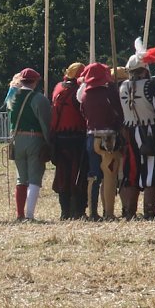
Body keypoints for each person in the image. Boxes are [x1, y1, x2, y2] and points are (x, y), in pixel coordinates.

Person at [119, 40, 155, 219]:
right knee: (152, 173)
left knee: (131, 172)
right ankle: (149, 212)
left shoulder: (123, 86)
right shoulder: (151, 85)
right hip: (151, 132)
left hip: (130, 133)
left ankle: (129, 211)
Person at [78, 62, 124, 220]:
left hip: (92, 136)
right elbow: (119, 112)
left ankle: (92, 213)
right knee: (109, 175)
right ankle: (109, 213)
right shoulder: (109, 93)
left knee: (94, 176)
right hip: (109, 138)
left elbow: (83, 113)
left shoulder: (85, 94)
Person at [5, 68, 51, 221]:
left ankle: (20, 214)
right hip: (34, 139)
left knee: (21, 178)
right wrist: (49, 142)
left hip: (16, 140)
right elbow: (45, 124)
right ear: (35, 81)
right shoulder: (38, 99)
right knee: (35, 178)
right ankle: (30, 215)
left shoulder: (11, 97)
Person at [50, 62, 87, 219]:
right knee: (77, 175)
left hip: (59, 138)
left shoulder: (58, 87)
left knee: (63, 175)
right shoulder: (77, 91)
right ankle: (76, 210)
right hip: (76, 137)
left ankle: (65, 211)